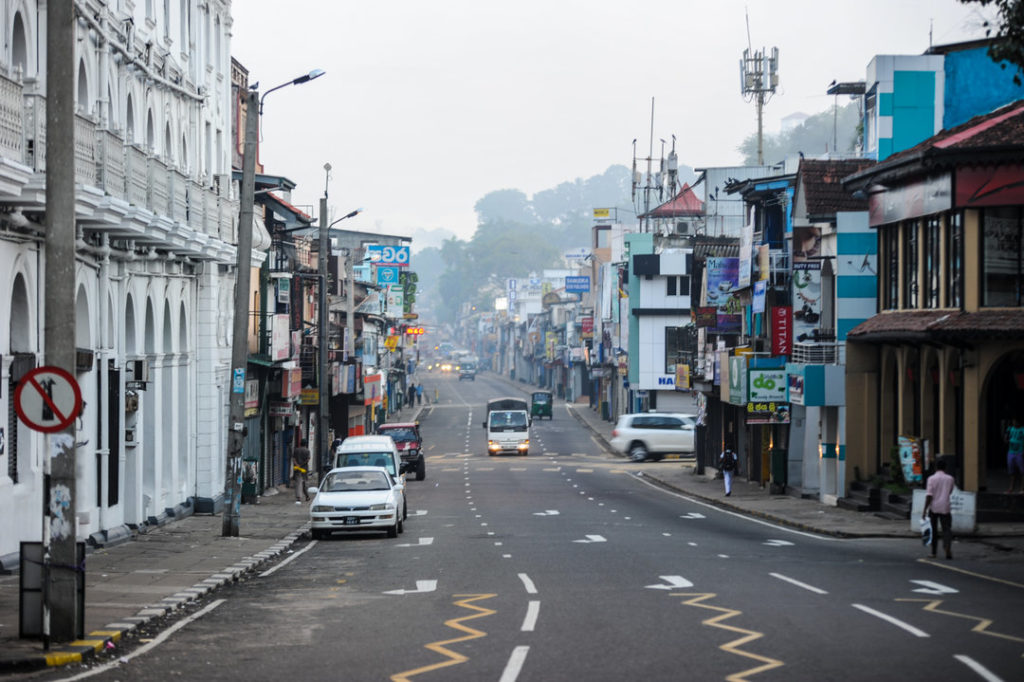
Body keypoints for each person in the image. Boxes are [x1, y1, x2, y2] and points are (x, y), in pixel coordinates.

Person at [923, 458, 956, 559]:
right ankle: (947, 547)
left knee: (933, 530)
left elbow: (929, 495)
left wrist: (924, 509)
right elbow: (950, 491)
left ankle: (933, 552)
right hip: (945, 506)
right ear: (945, 468)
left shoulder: (931, 479)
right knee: (947, 529)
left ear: (936, 468)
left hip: (934, 507)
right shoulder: (950, 479)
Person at [1005, 418, 1024, 494]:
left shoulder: (1022, 430)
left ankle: (1022, 488)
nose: (1014, 423)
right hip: (1011, 452)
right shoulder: (1010, 429)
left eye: (1015, 421)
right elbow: (1006, 438)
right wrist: (1006, 437)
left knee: (1022, 471)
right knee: (1011, 471)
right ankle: (1011, 488)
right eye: (1013, 421)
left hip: (1020, 452)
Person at [292, 440, 311, 505]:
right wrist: (302, 464)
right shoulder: (307, 451)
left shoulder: (296, 450)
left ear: (300, 444)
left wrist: (297, 465)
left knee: (298, 483)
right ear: (306, 444)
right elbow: (308, 459)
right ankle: (307, 496)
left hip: (297, 469)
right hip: (304, 469)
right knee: (304, 483)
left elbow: (294, 459)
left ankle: (298, 497)